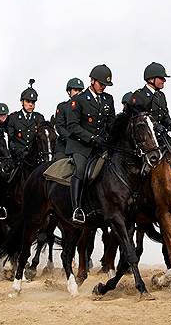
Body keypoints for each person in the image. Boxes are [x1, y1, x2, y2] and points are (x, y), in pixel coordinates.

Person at [66, 64, 115, 224]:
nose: (103, 88)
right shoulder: (78, 100)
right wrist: (92, 137)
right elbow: (72, 126)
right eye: (101, 84)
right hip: (81, 145)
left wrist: (108, 139)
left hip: (101, 145)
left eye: (106, 85)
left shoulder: (108, 99)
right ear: (92, 81)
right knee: (80, 169)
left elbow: (111, 123)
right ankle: (76, 208)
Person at [130, 62, 171, 137]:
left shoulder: (161, 95)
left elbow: (165, 115)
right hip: (145, 137)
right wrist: (155, 125)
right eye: (161, 78)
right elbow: (140, 118)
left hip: (161, 135)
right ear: (151, 79)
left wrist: (170, 123)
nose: (164, 80)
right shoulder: (139, 95)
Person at [7, 81, 47, 164]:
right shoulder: (13, 118)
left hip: (35, 159)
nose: (31, 105)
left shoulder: (39, 118)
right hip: (18, 159)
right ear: (22, 102)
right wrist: (17, 152)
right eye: (28, 102)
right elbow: (10, 139)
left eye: (33, 102)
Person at [54, 78, 84, 160]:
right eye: (75, 90)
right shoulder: (62, 106)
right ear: (69, 91)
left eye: (80, 90)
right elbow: (59, 126)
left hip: (83, 144)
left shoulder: (86, 107)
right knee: (57, 166)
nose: (78, 92)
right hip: (65, 145)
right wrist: (71, 139)